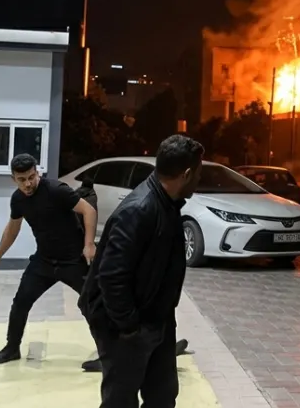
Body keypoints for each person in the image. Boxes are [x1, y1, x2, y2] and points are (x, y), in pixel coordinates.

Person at [80, 135, 204, 408]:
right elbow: (111, 276)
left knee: (162, 395)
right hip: (125, 325)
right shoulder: (139, 209)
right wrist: (130, 328)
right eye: (198, 172)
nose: (199, 178)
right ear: (186, 174)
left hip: (156, 317)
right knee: (120, 401)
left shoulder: (168, 202)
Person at [0, 153, 98, 365]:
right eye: (22, 180)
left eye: (31, 177)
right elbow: (13, 228)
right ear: (14, 179)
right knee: (21, 302)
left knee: (93, 304)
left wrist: (89, 244)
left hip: (73, 260)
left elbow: (88, 210)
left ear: (37, 173)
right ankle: (12, 348)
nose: (28, 184)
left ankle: (108, 354)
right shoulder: (18, 200)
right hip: (44, 260)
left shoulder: (56, 190)